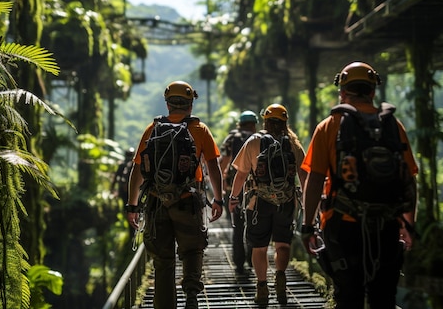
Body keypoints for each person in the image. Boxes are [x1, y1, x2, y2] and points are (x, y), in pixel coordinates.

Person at [300, 61, 419, 309]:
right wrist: (408, 223)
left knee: (348, 296)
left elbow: (314, 181)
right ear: (373, 91)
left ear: (342, 91)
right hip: (386, 225)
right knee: (383, 298)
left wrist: (307, 226)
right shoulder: (392, 126)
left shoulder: (329, 126)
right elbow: (408, 178)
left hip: (342, 225)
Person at [126, 81, 224, 309]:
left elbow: (138, 169)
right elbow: (213, 166)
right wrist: (218, 199)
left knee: (163, 260)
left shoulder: (153, 129)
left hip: (156, 203)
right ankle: (191, 295)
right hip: (188, 202)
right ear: (190, 104)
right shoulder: (199, 130)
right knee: (192, 249)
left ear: (168, 103)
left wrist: (132, 206)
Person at [228, 104, 307, 305]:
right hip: (286, 202)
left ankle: (262, 286)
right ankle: (280, 278)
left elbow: (241, 174)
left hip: (258, 203)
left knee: (259, 247)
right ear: (285, 121)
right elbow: (304, 175)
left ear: (265, 121)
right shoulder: (294, 144)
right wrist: (308, 203)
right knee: (283, 244)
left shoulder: (254, 141)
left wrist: (234, 197)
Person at [218, 110, 258, 276]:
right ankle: (252, 258)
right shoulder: (259, 139)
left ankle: (239, 264)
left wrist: (220, 188)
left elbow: (222, 163)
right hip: (255, 189)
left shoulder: (232, 139)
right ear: (254, 124)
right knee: (255, 224)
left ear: (239, 123)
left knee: (238, 225)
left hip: (234, 189)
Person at [111, 147, 136, 235]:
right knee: (135, 209)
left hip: (123, 192)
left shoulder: (122, 164)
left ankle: (131, 232)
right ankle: (134, 230)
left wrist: (112, 188)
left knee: (127, 210)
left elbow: (115, 178)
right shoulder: (134, 164)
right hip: (133, 191)